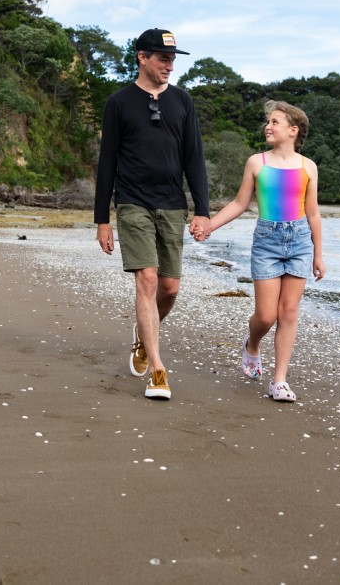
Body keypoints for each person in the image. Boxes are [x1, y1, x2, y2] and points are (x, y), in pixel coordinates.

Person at [94, 28, 211, 400]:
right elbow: (107, 162)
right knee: (146, 278)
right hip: (132, 202)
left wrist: (202, 211)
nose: (169, 65)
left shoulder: (182, 101)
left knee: (169, 287)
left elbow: (194, 158)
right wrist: (102, 220)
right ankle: (158, 370)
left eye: (173, 59)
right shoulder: (119, 103)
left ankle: (143, 335)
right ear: (142, 57)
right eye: (162, 58)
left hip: (172, 204)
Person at [196, 100, 323, 402]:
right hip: (267, 241)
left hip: (300, 242)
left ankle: (279, 381)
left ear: (293, 130)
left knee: (288, 312)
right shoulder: (257, 163)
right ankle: (252, 345)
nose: (268, 126)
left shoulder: (308, 167)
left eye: (275, 122)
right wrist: (210, 226)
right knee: (266, 317)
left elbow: (314, 214)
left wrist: (318, 254)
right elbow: (240, 204)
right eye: (268, 122)